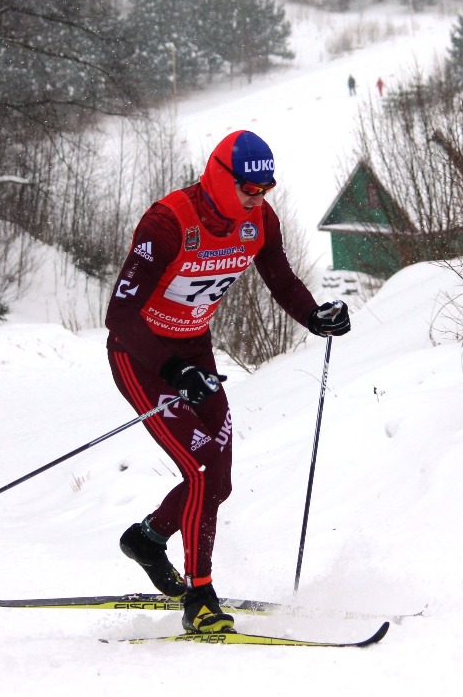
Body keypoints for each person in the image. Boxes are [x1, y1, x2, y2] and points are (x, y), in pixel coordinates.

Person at [105, 129, 352, 635]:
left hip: (195, 349)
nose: (255, 199)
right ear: (219, 177)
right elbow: (120, 315)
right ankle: (201, 597)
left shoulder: (258, 219)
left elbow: (279, 275)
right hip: (144, 357)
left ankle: (148, 540)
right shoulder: (168, 223)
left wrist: (314, 315)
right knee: (197, 468)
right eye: (247, 188)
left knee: (217, 482)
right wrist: (174, 371)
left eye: (264, 190)